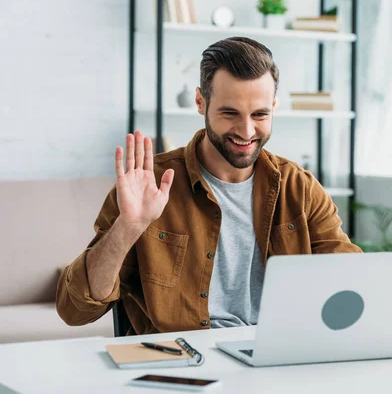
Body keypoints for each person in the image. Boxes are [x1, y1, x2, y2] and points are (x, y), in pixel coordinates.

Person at [56, 37, 361, 335]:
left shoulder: (300, 188)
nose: (246, 131)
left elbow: (353, 283)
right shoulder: (148, 185)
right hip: (179, 360)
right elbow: (75, 310)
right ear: (201, 102)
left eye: (260, 114)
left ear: (274, 107)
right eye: (230, 113)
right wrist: (127, 228)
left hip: (276, 353)